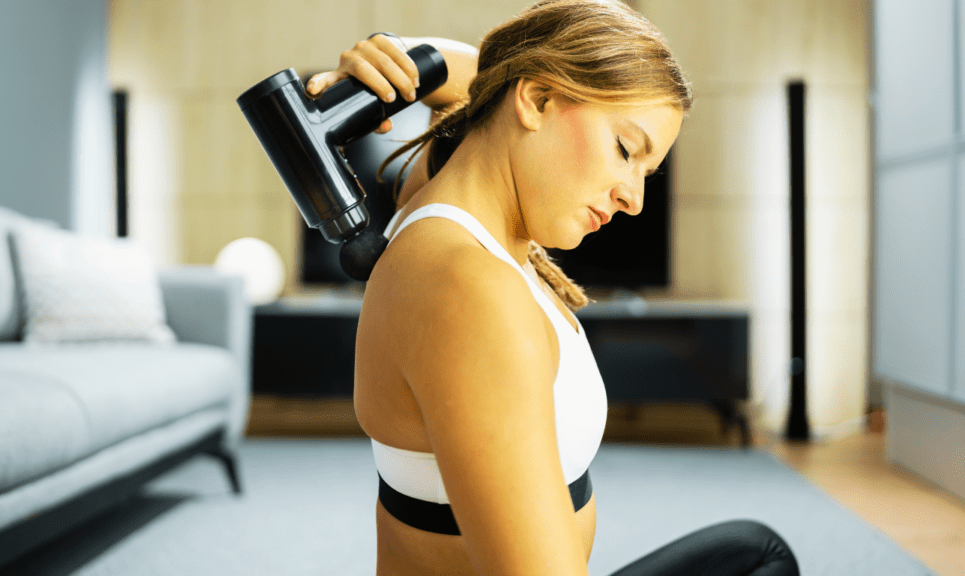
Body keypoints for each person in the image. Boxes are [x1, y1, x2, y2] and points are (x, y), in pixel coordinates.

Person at [305, 1, 801, 574]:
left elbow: (481, 78)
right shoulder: (465, 288)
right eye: (625, 149)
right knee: (759, 563)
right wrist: (403, 64)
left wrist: (410, 59)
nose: (633, 200)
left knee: (753, 552)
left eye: (645, 172)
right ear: (537, 99)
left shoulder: (451, 193)